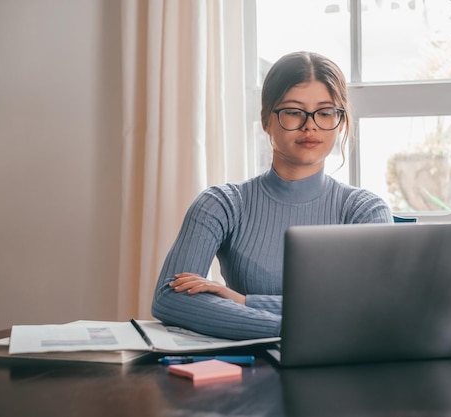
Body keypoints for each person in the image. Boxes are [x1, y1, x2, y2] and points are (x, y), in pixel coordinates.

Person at [151, 51, 394, 340]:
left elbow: (376, 310)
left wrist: (244, 301)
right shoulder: (222, 204)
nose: (310, 125)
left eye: (326, 112)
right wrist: (293, 330)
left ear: (340, 121)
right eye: (293, 111)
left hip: (342, 370)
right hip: (248, 369)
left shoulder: (365, 210)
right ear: (267, 119)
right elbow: (170, 298)